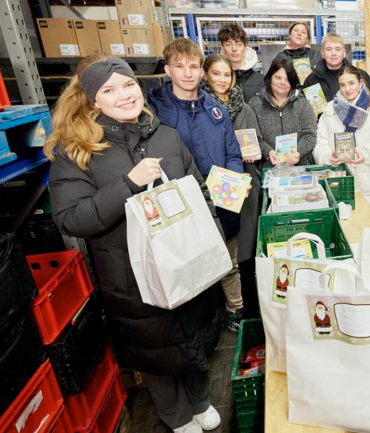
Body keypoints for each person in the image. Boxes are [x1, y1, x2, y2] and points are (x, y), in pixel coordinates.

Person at [44, 54, 222, 433]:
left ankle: (202, 399)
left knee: (196, 334)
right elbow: (71, 218)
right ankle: (176, 416)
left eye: (128, 85)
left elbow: (200, 192)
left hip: (187, 259)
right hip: (130, 274)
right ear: (93, 100)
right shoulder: (77, 149)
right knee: (155, 347)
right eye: (109, 90)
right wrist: (127, 184)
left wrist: (214, 243)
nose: (123, 95)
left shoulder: (166, 134)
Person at [148, 39, 246, 332]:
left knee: (229, 261)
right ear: (167, 69)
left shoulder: (215, 109)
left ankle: (235, 310)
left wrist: (236, 182)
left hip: (221, 200)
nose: (187, 73)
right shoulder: (155, 111)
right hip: (181, 205)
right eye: (179, 66)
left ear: (201, 72)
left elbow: (232, 152)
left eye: (193, 66)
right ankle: (201, 323)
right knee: (191, 266)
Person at [200, 53, 262, 322]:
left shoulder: (244, 107)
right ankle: (224, 307)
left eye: (227, 74)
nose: (222, 80)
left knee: (240, 246)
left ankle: (241, 305)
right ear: (206, 75)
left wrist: (252, 152)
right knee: (217, 247)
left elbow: (255, 142)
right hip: (210, 185)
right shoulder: (200, 108)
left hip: (241, 182)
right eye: (216, 74)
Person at [313, 65, 370, 222]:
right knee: (344, 233)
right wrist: (328, 157)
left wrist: (365, 154)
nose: (347, 89)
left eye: (351, 83)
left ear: (361, 82)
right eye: (342, 85)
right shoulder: (330, 111)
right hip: (339, 181)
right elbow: (320, 142)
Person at [248, 59, 317, 168]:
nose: (282, 83)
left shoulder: (302, 103)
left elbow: (310, 135)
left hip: (300, 167)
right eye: (278, 77)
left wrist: (298, 152)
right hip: (268, 167)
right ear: (270, 77)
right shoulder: (255, 104)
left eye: (287, 79)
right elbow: (254, 137)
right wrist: (268, 151)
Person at [303, 33, 370, 102]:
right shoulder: (311, 81)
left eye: (338, 49)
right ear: (322, 53)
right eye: (328, 49)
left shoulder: (361, 76)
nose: (333, 53)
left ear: (344, 53)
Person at [217, 24, 264, 101]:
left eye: (239, 44)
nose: (234, 49)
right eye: (228, 44)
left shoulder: (262, 81)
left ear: (245, 46)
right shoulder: (218, 81)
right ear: (222, 47)